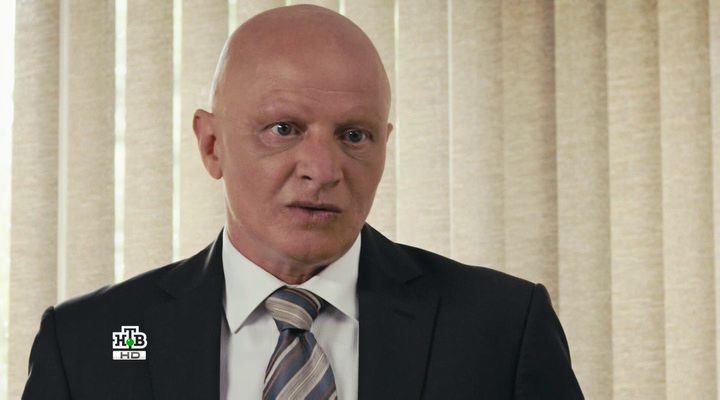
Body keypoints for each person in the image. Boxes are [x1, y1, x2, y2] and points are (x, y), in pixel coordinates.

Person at [22, 5, 583, 400]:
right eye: (284, 129)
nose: (323, 169)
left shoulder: (503, 328)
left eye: (354, 135)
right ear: (212, 145)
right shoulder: (85, 343)